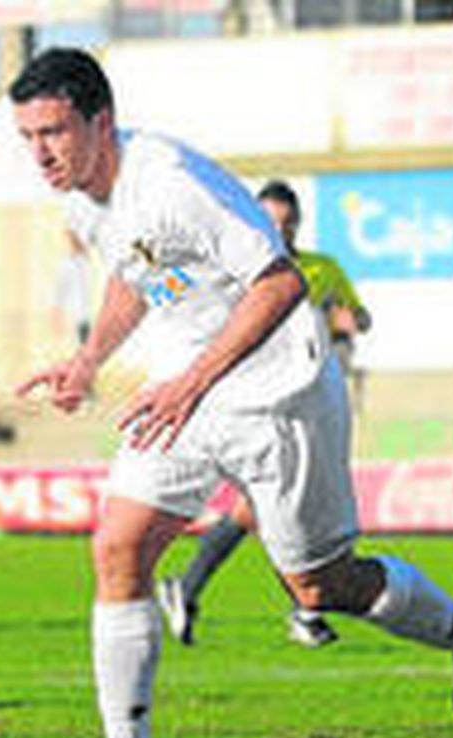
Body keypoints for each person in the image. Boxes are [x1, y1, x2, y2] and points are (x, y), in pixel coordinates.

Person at [10, 48, 453, 738]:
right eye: (28, 137)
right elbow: (132, 275)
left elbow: (281, 283)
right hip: (186, 392)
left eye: (53, 132)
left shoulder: (171, 179)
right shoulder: (84, 199)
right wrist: (89, 358)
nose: (41, 152)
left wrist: (195, 378)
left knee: (319, 586)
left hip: (279, 392)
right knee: (118, 546)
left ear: (100, 121)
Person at [157, 180, 372, 650]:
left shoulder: (320, 268)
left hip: (315, 405)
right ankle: (306, 610)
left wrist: (349, 319)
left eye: (287, 222)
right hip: (259, 404)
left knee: (267, 509)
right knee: (283, 507)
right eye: (270, 222)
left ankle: (191, 589)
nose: (280, 230)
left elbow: (356, 315)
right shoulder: (234, 274)